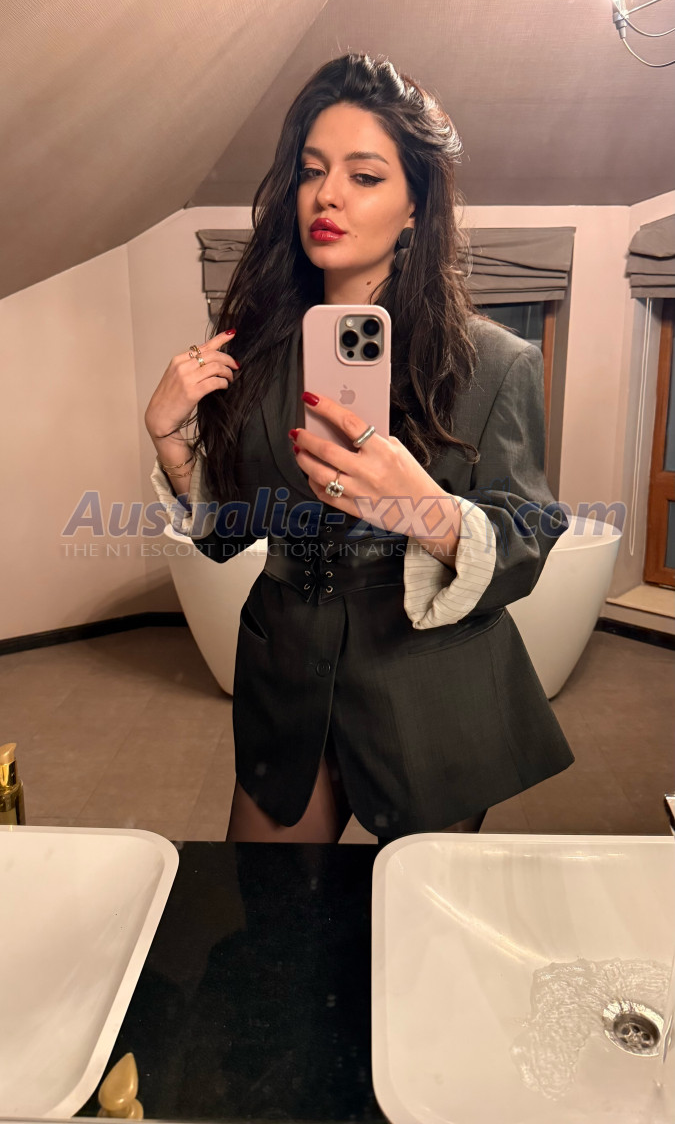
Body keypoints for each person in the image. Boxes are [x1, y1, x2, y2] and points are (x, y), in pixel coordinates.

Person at [145, 52, 574, 847]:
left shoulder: (496, 363)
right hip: (286, 682)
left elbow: (527, 539)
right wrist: (173, 442)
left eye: (364, 175)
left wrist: (425, 510)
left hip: (431, 689)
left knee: (417, 916)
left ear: (415, 206)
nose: (327, 195)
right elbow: (230, 532)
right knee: (263, 908)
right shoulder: (255, 355)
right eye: (311, 171)